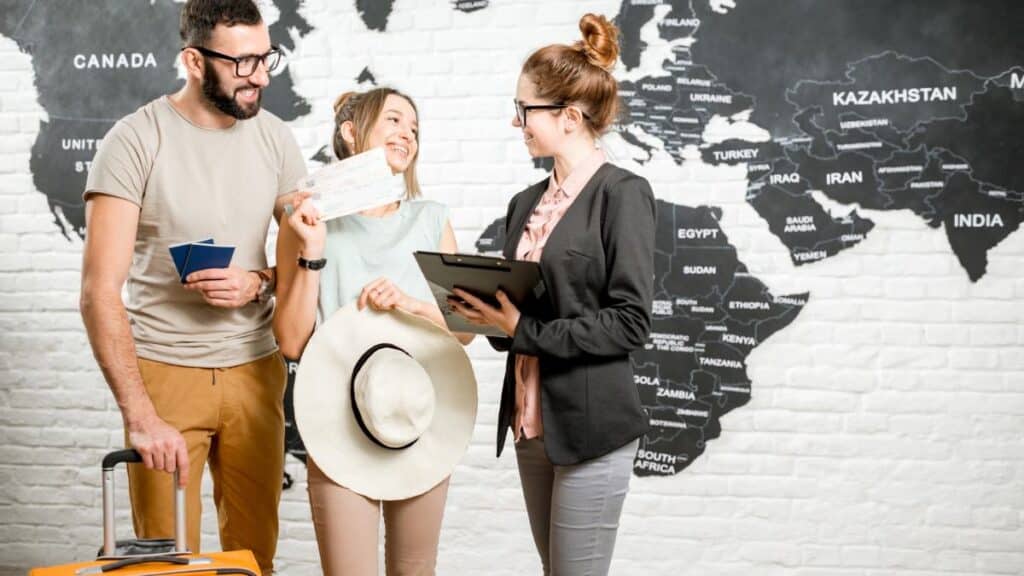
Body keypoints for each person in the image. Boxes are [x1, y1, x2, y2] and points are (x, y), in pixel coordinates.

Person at [78, 0, 306, 572]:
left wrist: (258, 282)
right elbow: (98, 292)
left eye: (265, 57)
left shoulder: (277, 141)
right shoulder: (134, 140)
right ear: (193, 60)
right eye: (242, 62)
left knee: (254, 557)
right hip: (164, 376)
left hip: (256, 371)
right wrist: (140, 415)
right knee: (165, 559)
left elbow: (307, 260)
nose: (259, 75)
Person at [448, 13, 656, 576]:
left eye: (524, 110)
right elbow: (524, 315)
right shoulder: (525, 203)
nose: (516, 122)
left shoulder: (623, 195)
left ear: (568, 117)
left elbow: (631, 322)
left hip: (592, 427)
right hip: (530, 423)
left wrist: (524, 330)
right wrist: (486, 312)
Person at [274, 86, 473, 576]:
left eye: (414, 128)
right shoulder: (304, 221)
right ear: (350, 131)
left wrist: (409, 304)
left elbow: (465, 330)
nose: (407, 134)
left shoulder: (432, 219)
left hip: (414, 420)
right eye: (394, 121)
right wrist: (313, 248)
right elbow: (291, 341)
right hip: (339, 421)